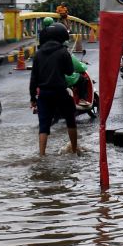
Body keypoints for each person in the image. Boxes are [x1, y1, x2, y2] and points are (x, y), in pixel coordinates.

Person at [30, 23, 78, 155]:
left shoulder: (38, 54)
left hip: (44, 94)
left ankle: (41, 155)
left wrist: (33, 98)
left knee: (43, 126)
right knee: (70, 120)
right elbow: (69, 72)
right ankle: (74, 150)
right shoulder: (63, 52)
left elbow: (33, 78)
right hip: (60, 92)